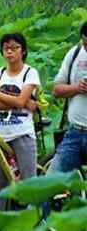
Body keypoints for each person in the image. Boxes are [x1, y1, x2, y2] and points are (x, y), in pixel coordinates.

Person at [0, 32, 41, 211]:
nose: (10, 52)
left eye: (15, 47)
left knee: (28, 185)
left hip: (22, 133)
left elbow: (19, 102)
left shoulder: (30, 73)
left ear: (23, 51)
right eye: (6, 48)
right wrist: (18, 100)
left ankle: (32, 223)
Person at [48, 21, 87, 174]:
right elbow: (56, 90)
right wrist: (77, 87)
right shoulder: (75, 53)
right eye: (85, 43)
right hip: (74, 133)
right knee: (49, 185)